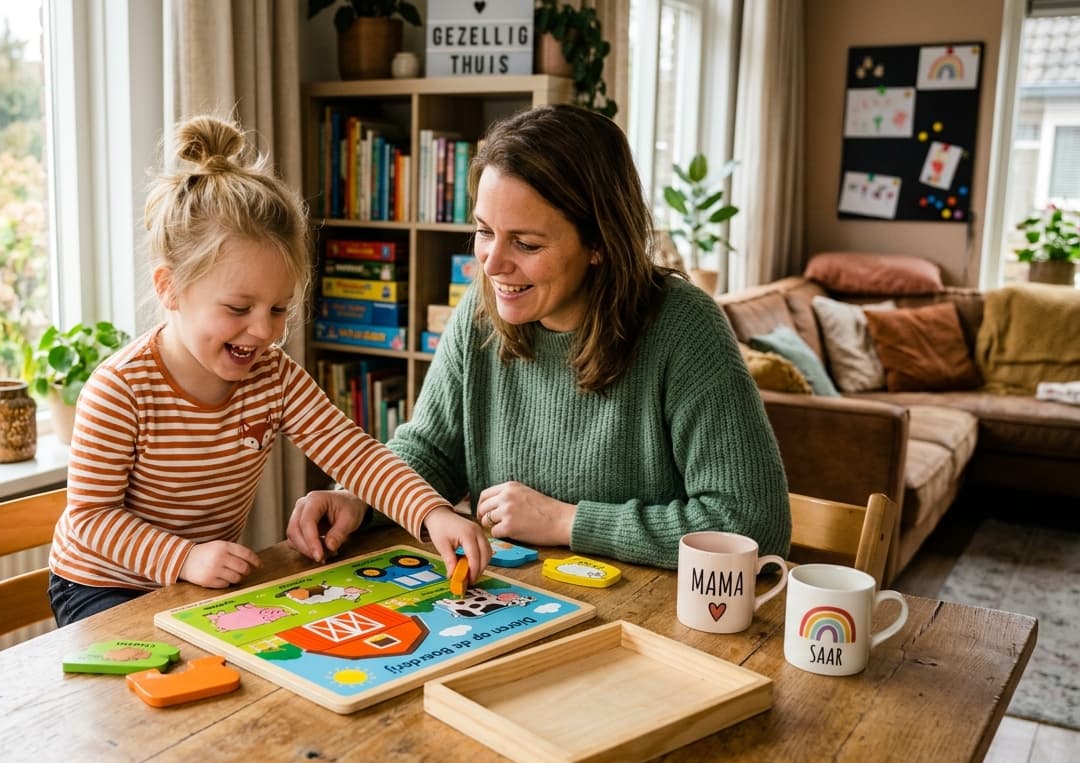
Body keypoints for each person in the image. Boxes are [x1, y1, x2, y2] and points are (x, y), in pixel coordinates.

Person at [288, 103, 790, 569]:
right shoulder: (480, 313)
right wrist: (358, 499)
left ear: (598, 243)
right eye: (485, 231)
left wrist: (568, 522)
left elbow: (752, 525)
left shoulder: (683, 327)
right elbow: (432, 452)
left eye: (525, 243)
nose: (492, 262)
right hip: (520, 604)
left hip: (654, 619)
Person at [48, 115, 492, 626]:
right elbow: (90, 519)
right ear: (169, 288)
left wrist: (431, 511)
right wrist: (184, 558)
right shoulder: (119, 390)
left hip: (194, 582)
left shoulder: (272, 376)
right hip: (102, 585)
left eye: (279, 309)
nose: (265, 332)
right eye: (239, 309)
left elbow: (355, 455)